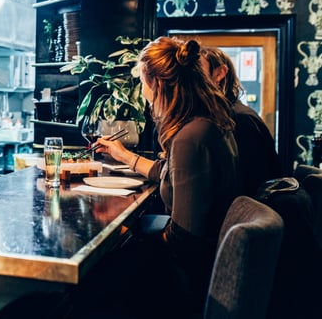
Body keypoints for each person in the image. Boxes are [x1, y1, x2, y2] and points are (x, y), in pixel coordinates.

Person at [77, 37, 241, 318]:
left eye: (142, 83)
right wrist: (123, 155)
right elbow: (171, 174)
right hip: (201, 266)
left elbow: (184, 242)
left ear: (158, 84)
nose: (142, 92)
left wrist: (125, 234)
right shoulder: (205, 125)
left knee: (92, 278)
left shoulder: (192, 137)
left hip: (183, 281)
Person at [201, 46, 283, 196]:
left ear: (220, 73)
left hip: (250, 214)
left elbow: (250, 185)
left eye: (198, 71)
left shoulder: (238, 118)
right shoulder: (230, 113)